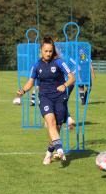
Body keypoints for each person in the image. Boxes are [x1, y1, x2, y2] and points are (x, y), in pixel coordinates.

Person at [17, 37, 76, 165]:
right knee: (50, 122)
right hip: (45, 97)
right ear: (41, 50)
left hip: (60, 98)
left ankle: (49, 153)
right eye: (46, 51)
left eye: (50, 51)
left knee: (56, 128)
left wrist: (64, 85)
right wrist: (23, 91)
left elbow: (72, 78)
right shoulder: (36, 66)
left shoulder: (60, 62)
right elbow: (30, 82)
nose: (48, 53)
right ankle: (60, 150)